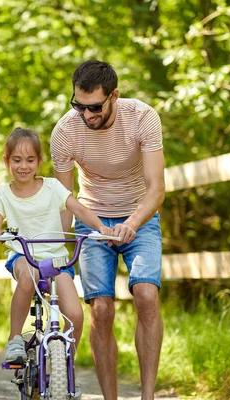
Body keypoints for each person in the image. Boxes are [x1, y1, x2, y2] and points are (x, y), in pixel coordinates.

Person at [51, 60, 165, 400]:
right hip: (92, 222)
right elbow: (64, 200)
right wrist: (60, 251)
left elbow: (156, 188)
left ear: (114, 95)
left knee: (146, 295)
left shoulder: (143, 118)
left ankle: (147, 396)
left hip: (138, 218)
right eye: (78, 106)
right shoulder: (65, 132)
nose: (86, 115)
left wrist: (130, 225)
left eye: (95, 107)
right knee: (101, 309)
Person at [0, 127, 113, 366]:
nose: (24, 166)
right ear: (7, 161)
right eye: (17, 160)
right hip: (24, 257)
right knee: (28, 275)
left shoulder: (53, 187)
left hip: (57, 261)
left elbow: (80, 209)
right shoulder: (3, 194)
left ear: (39, 161)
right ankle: (14, 338)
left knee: (75, 314)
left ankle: (64, 365)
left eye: (30, 160)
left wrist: (101, 228)